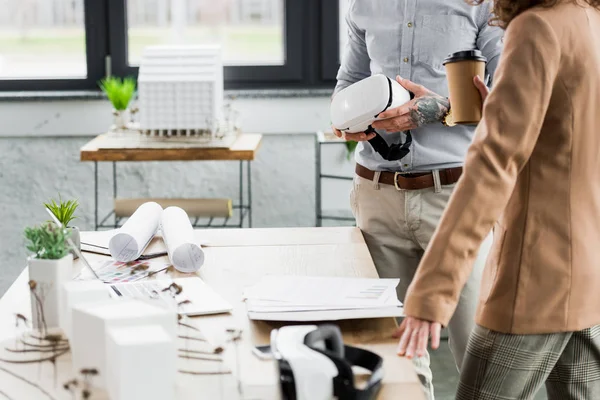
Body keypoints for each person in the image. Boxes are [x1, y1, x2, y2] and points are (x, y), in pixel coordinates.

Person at [397, 0, 600, 398]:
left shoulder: (537, 27)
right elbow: (573, 133)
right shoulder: (589, 19)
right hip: (587, 275)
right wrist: (502, 109)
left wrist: (431, 294)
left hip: (536, 279)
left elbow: (491, 166)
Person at [332, 1, 503, 398]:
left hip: (457, 198)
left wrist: (438, 109)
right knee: (392, 355)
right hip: (377, 194)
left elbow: (511, 100)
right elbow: (348, 82)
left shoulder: (482, 5)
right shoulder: (364, 6)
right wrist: (346, 118)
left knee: (480, 356)